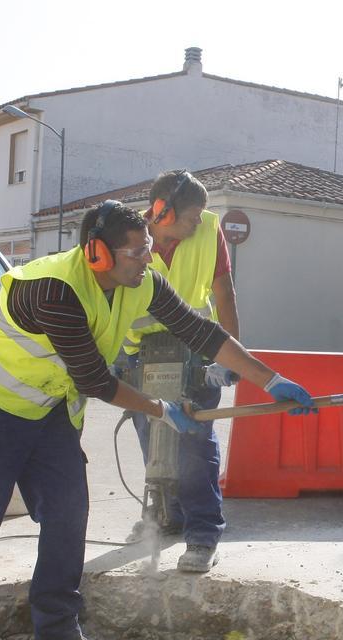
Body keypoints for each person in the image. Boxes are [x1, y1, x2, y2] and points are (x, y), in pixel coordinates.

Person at [0, 201, 315, 640]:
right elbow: (96, 380)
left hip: (50, 408)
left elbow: (199, 330)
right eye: (137, 252)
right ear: (98, 254)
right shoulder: (53, 290)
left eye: (149, 249)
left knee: (68, 513)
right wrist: (162, 409)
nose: (148, 260)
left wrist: (270, 378)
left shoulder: (142, 283)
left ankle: (56, 634)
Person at [119, 169, 239, 573]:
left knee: (195, 443)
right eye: (190, 216)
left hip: (194, 350)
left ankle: (203, 535)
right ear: (161, 212)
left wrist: (229, 355)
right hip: (140, 354)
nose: (196, 223)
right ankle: (166, 517)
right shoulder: (130, 235)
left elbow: (223, 290)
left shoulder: (208, 228)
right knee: (153, 438)